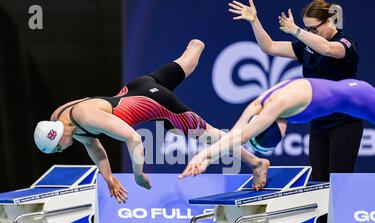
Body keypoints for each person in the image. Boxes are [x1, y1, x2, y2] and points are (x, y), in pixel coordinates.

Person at [33, 39, 270, 203]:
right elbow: (94, 147)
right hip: (138, 87)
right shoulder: (60, 117)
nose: (60, 151)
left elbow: (134, 138)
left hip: (157, 103)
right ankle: (196, 43)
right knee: (190, 59)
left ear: (59, 136)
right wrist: (109, 179)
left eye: (57, 149)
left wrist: (138, 173)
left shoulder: (86, 118)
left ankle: (256, 163)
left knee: (211, 135)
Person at [228, 0, 363, 182]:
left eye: (313, 29)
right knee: (318, 182)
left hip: (345, 123)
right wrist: (254, 21)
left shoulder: (345, 43)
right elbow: (269, 47)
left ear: (330, 20)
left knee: (339, 182)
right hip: (319, 124)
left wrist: (296, 31)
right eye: (307, 28)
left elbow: (328, 49)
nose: (309, 33)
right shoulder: (306, 46)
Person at [180, 77, 375, 178]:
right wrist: (207, 160)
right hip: (352, 95)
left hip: (361, 98)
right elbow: (233, 135)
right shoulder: (257, 106)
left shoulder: (279, 104)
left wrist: (202, 155)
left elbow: (242, 137)